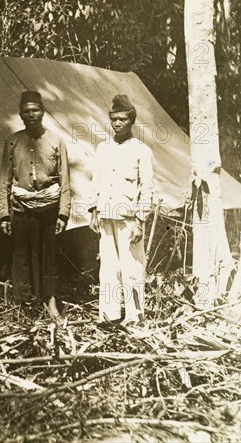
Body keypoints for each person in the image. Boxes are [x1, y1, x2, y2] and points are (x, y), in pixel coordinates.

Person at [0, 90, 71, 319]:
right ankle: (24, 305)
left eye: (36, 110)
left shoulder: (56, 140)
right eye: (26, 111)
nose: (31, 115)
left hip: (49, 209)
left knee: (48, 256)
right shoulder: (13, 141)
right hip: (20, 208)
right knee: (21, 256)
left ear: (43, 112)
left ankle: (50, 301)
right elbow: (4, 180)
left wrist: (63, 214)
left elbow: (65, 179)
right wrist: (3, 215)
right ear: (20, 114)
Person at [89, 94, 154, 326]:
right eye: (114, 119)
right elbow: (96, 181)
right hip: (106, 217)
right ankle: (110, 315)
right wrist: (94, 210)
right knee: (108, 268)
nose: (118, 123)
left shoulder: (141, 151)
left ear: (132, 120)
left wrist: (140, 221)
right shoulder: (102, 149)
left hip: (129, 220)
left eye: (123, 119)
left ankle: (135, 317)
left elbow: (147, 188)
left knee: (132, 269)